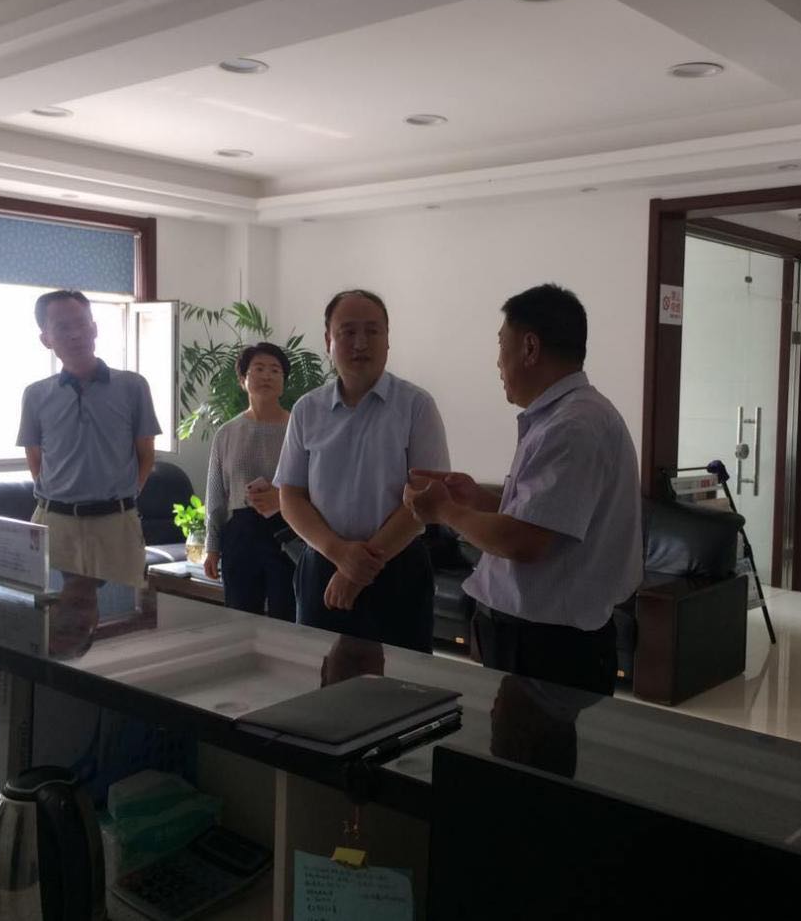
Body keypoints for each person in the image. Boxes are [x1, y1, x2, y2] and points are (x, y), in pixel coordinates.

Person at [404, 283, 641, 695]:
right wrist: (478, 501)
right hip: (538, 638)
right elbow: (548, 516)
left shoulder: (572, 427)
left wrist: (444, 511)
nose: (497, 362)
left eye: (501, 345)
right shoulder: (566, 417)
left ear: (529, 348)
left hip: (547, 647)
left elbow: (524, 541)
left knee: (531, 738)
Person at [275, 289, 449, 653]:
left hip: (397, 567)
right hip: (322, 563)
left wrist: (357, 569)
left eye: (372, 331)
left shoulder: (416, 406)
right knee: (321, 676)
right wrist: (339, 554)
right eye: (348, 332)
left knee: (402, 681)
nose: (360, 343)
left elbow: (425, 502)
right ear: (328, 340)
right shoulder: (307, 410)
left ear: (388, 339)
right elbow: (290, 495)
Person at [17, 290, 161, 587]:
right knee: (53, 611)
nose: (75, 334)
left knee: (123, 610)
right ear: (45, 339)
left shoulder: (133, 386)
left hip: (116, 525)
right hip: (55, 524)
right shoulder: (35, 394)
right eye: (62, 327)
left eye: (81, 323)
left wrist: (120, 497)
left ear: (94, 328)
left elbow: (146, 454)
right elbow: (35, 458)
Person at [203, 343, 296, 620]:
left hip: (290, 531)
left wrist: (282, 498)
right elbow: (216, 495)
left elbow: (316, 484)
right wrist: (212, 547)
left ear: (283, 382)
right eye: (259, 369)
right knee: (240, 618)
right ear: (243, 380)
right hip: (241, 534)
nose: (267, 375)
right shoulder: (226, 433)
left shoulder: (298, 429)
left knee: (287, 617)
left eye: (275, 370)